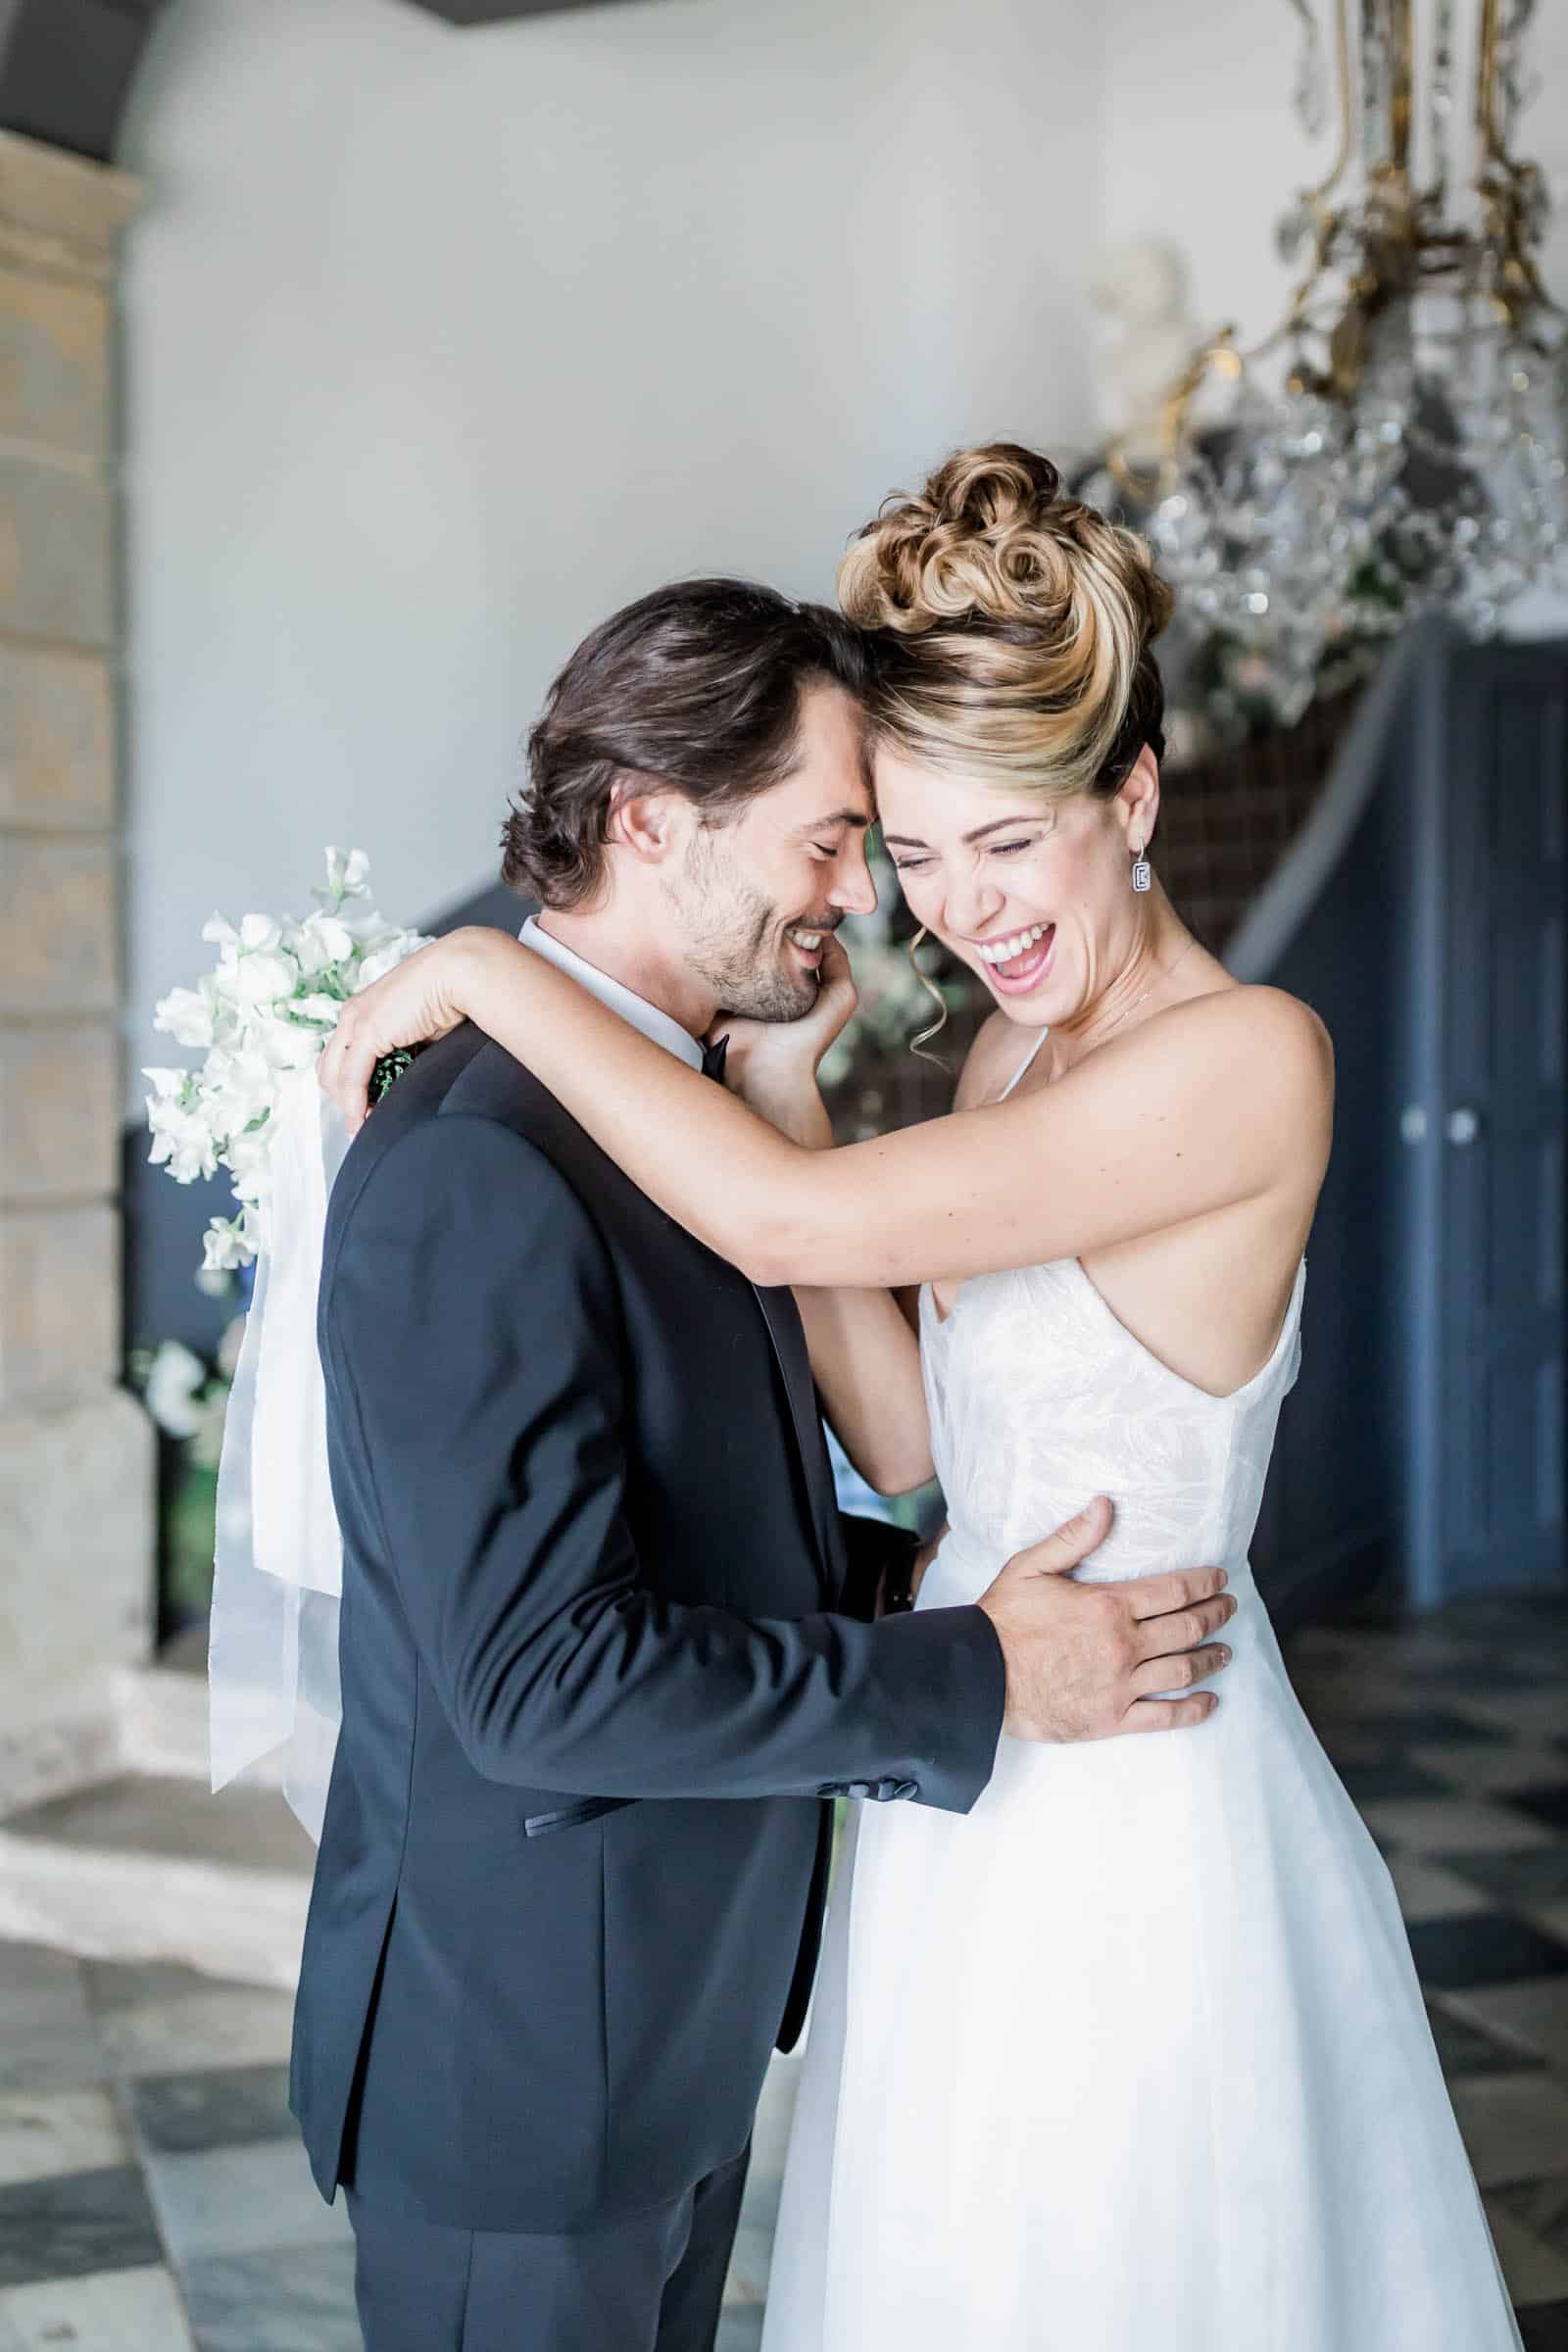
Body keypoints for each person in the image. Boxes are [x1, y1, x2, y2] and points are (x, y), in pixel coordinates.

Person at [324, 447, 1523, 2350]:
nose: (958, 910)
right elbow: (918, 1449)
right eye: (911, 850)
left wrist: (485, 964)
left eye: (1009, 841)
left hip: (1138, 1770)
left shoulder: (1243, 1060)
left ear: (1128, 795)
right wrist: (791, 1075)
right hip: (974, 1774)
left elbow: (779, 1224)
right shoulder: (1001, 1051)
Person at [296, 573, 1237, 2352]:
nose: (868, 898)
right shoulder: (480, 1164)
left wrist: (943, 1592)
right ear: (655, 824)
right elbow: (536, 1681)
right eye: (829, 842)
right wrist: (971, 1667)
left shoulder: (684, 1111)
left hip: (663, 2032)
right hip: (522, 2079)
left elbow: (702, 1525)